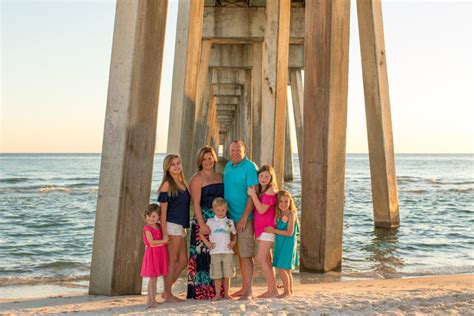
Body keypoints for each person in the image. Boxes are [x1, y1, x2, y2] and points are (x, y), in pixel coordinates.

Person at [187, 146, 224, 300]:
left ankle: (217, 291)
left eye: (210, 158)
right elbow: (195, 203)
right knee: (202, 256)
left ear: (214, 159)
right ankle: (201, 291)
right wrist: (202, 224)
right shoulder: (197, 178)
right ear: (200, 161)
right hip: (203, 220)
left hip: (219, 221)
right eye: (204, 159)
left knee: (217, 254)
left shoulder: (220, 177)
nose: (208, 161)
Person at [223, 140, 258, 300]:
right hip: (229, 220)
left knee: (246, 255)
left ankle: (249, 290)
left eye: (238, 150)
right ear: (229, 152)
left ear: (245, 151)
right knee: (237, 254)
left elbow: (253, 193)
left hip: (245, 219)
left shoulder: (250, 167)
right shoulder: (228, 167)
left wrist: (244, 217)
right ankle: (243, 287)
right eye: (232, 150)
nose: (235, 152)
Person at [158, 154, 190, 302]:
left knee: (184, 260)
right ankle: (168, 294)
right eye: (172, 164)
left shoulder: (183, 183)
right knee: (172, 261)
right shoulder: (167, 185)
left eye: (178, 163)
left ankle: (166, 291)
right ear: (167, 168)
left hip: (180, 226)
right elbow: (162, 213)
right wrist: (164, 233)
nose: (176, 166)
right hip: (171, 226)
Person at [247, 165, 279, 298]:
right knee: (267, 259)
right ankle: (272, 289)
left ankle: (273, 290)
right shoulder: (262, 190)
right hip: (261, 230)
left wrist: (253, 195)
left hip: (267, 229)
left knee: (260, 259)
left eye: (267, 176)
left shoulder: (270, 190)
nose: (264, 179)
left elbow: (261, 210)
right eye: (261, 176)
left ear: (271, 178)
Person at [199, 197, 237, 300]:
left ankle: (227, 294)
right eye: (218, 210)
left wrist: (233, 242)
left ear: (226, 209)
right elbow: (201, 233)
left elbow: (234, 233)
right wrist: (207, 243)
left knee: (227, 274)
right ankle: (217, 294)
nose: (220, 212)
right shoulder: (210, 221)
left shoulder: (229, 222)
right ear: (213, 210)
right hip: (215, 252)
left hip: (227, 251)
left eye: (223, 210)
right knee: (217, 275)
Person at [264, 190, 299, 298]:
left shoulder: (291, 214)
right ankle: (290, 291)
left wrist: (273, 231)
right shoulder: (279, 214)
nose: (283, 204)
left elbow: (289, 233)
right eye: (281, 201)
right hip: (280, 244)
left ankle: (287, 291)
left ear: (290, 202)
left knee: (282, 268)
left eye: (286, 202)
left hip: (288, 245)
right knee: (286, 269)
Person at [140, 203, 169, 308]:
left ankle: (150, 300)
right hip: (152, 254)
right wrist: (164, 241)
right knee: (153, 278)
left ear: (159, 217)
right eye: (148, 216)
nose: (150, 218)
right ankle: (152, 301)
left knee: (155, 278)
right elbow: (151, 242)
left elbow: (165, 234)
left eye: (154, 216)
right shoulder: (147, 228)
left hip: (160, 253)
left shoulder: (159, 226)